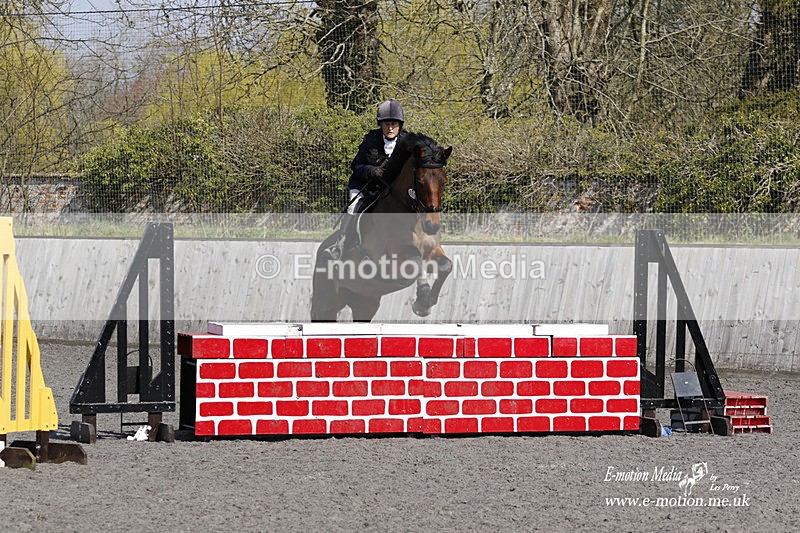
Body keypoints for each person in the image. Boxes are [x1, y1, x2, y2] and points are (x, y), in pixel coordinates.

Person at [325, 98, 409, 259]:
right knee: (353, 207)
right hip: (365, 186)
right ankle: (340, 244)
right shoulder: (370, 140)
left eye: (393, 124)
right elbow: (356, 166)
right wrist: (370, 170)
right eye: (386, 124)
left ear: (400, 125)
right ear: (381, 125)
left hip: (388, 190)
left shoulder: (406, 144)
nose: (390, 128)